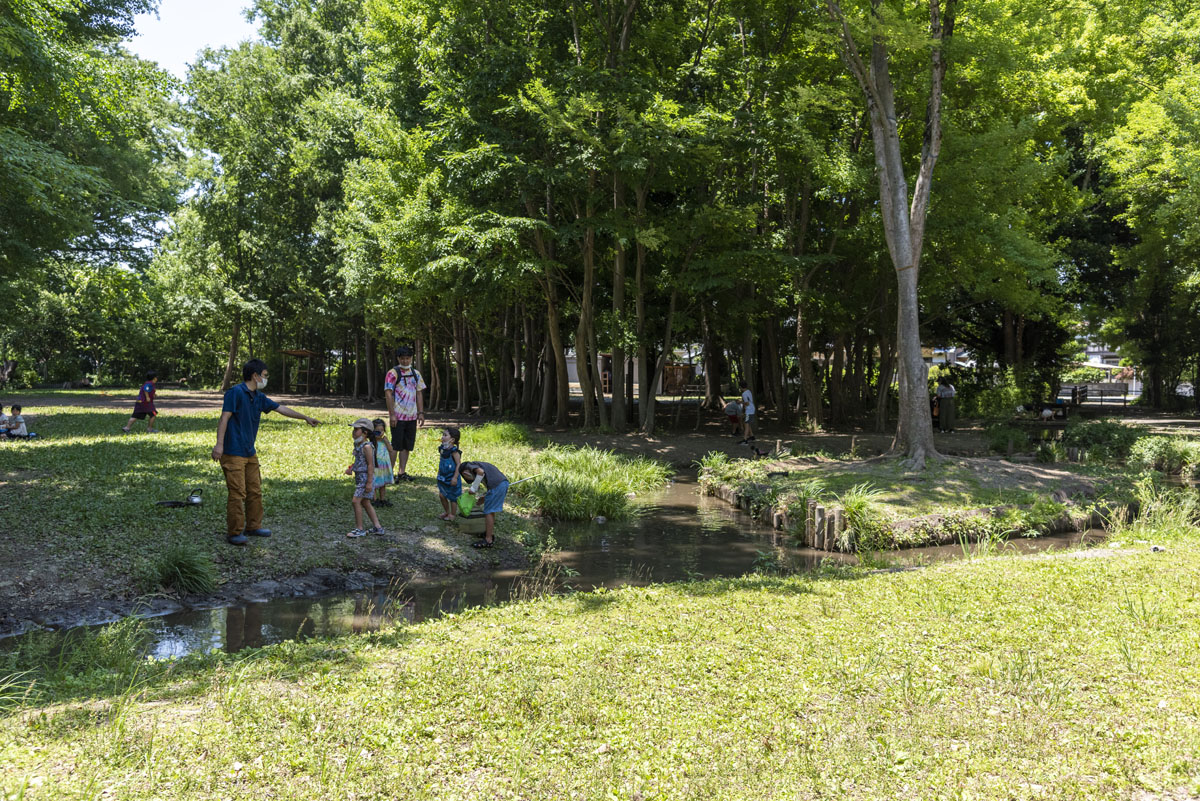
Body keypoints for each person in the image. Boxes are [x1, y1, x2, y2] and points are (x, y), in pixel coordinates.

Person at [211, 358, 320, 546]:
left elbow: (281, 408)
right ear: (255, 376)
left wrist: (305, 417)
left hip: (249, 452)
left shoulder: (259, 397)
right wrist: (219, 445)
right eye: (264, 375)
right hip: (232, 451)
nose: (265, 379)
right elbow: (224, 418)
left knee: (255, 490)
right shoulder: (235, 393)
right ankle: (234, 532)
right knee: (238, 493)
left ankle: (253, 526)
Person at [384, 345, 426, 482]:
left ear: (411, 358)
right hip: (398, 415)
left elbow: (419, 393)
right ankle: (389, 474)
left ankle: (402, 472)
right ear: (398, 358)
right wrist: (392, 415)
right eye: (403, 359)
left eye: (408, 358)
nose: (405, 361)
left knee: (407, 445)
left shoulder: (416, 373)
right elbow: (388, 394)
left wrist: (420, 412)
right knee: (396, 445)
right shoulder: (393, 373)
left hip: (412, 416)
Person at [344, 418, 385, 538]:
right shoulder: (358, 445)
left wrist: (369, 482)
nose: (353, 432)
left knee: (356, 501)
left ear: (365, 432)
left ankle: (359, 529)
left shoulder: (367, 447)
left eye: (356, 429)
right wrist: (351, 469)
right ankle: (378, 527)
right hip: (360, 478)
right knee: (366, 502)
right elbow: (359, 461)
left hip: (365, 479)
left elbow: (370, 465)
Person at [459, 459, 508, 548]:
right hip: (500, 484)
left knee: (488, 512)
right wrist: (485, 497)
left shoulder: (469, 466)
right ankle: (488, 534)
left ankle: (488, 539)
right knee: (490, 511)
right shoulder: (477, 465)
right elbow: (489, 481)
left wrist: (474, 488)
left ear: (465, 473)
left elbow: (481, 472)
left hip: (498, 485)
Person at [436, 427, 463, 521]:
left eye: (445, 435)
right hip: (443, 476)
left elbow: (459, 464)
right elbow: (442, 461)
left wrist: (455, 477)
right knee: (441, 495)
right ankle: (446, 511)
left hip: (452, 477)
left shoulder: (454, 451)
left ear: (452, 440)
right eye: (442, 434)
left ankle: (452, 514)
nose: (442, 437)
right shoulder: (442, 448)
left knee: (453, 497)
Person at [371, 418, 396, 506]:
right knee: (374, 483)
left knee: (383, 484)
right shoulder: (371, 442)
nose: (380, 433)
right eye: (377, 431)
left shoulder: (384, 441)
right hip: (375, 466)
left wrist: (386, 441)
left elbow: (391, 450)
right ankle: (374, 499)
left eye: (381, 430)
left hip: (384, 466)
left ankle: (382, 499)